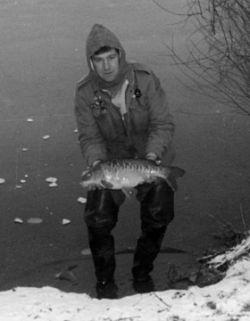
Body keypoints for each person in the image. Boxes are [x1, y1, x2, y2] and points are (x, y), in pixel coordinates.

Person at [74, 24, 175, 299]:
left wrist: (152, 157)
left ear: (120, 55)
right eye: (99, 60)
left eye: (111, 58)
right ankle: (106, 283)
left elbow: (163, 124)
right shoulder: (85, 93)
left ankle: (142, 274)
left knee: (159, 211)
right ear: (91, 62)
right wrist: (96, 163)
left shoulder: (144, 79)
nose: (106, 66)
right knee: (97, 218)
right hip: (111, 165)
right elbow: (90, 138)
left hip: (148, 160)